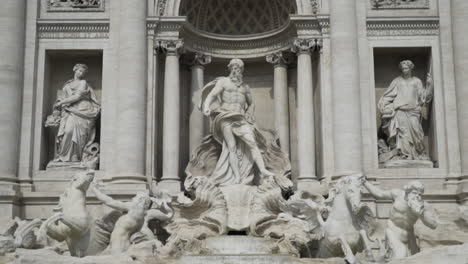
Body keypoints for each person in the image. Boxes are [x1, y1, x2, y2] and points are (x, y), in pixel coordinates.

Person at [200, 59, 276, 185]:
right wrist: (207, 106)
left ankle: (262, 170)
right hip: (225, 116)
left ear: (242, 70)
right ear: (230, 69)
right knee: (232, 147)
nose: (236, 70)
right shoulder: (223, 82)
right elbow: (212, 95)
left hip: (240, 118)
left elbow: (251, 104)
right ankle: (236, 177)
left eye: (239, 68)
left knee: (252, 142)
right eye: (234, 68)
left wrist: (250, 112)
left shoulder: (245, 88)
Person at [360, 176, 437, 260]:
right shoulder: (397, 194)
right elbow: (379, 193)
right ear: (408, 191)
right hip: (393, 231)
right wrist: (365, 182)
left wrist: (421, 214)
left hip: (409, 236)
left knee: (414, 260)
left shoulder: (423, 206)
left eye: (419, 194)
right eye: (415, 193)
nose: (417, 196)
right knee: (400, 255)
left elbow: (433, 225)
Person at [378, 60, 433, 162]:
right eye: (403, 69)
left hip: (414, 111)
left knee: (417, 133)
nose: (404, 70)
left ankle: (419, 153)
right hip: (400, 111)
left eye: (406, 68)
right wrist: (383, 104)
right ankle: (405, 155)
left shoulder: (417, 81)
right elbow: (388, 95)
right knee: (403, 135)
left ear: (411, 68)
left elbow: (424, 98)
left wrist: (429, 85)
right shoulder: (397, 81)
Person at [51, 63, 100, 163]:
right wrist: (58, 104)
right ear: (75, 70)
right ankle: (63, 156)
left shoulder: (83, 83)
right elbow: (63, 97)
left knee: (78, 134)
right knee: (68, 131)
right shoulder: (67, 85)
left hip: (82, 111)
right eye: (79, 71)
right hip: (69, 111)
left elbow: (77, 97)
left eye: (83, 72)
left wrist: (62, 102)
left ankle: (75, 156)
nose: (81, 73)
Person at [92, 184, 152, 254]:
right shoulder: (142, 219)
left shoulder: (134, 208)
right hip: (119, 244)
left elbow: (110, 202)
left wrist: (95, 190)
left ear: (141, 200)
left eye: (135, 197)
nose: (132, 199)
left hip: (118, 244)